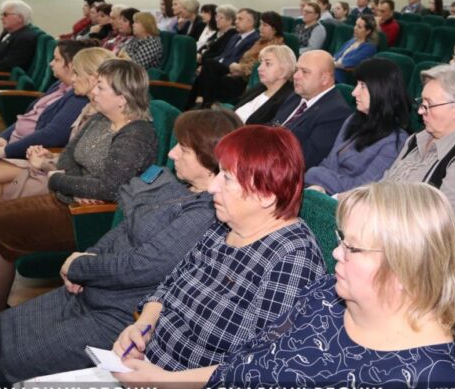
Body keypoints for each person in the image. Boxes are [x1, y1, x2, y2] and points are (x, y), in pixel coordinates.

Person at [0, 110, 241, 385]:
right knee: (3, 325)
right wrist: (88, 255)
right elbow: (126, 226)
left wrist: (79, 266)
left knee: (17, 356)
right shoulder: (178, 186)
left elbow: (143, 266)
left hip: (120, 311)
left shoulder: (206, 212)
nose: (171, 154)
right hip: (92, 288)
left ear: (209, 159)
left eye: (183, 149)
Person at [115, 182, 455, 388]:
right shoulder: (326, 294)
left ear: (404, 265)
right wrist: (163, 379)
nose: (336, 253)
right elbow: (243, 366)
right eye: (342, 240)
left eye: (353, 248)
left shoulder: (430, 378)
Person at [110, 125, 326, 372]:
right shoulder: (225, 224)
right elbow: (168, 286)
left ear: (266, 195)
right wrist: (143, 327)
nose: (213, 187)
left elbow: (259, 366)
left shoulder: (293, 258)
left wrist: (163, 380)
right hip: (148, 364)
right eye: (218, 173)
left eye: (227, 178)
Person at [0, 59, 157, 335]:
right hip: (71, 200)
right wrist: (76, 185)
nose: (93, 91)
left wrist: (60, 181)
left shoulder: (136, 133)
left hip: (94, 218)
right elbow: (69, 158)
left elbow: (107, 190)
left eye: (101, 87)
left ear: (122, 98)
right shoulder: (101, 118)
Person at [0, 47, 114, 275]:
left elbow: (90, 169)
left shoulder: (103, 114)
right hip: (58, 169)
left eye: (76, 73)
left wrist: (48, 163)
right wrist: (50, 158)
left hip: (69, 188)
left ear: (93, 78)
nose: (72, 78)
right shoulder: (87, 106)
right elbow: (72, 152)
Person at [382, 64, 455, 220]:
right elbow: (384, 183)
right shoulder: (416, 139)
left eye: (429, 104)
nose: (420, 111)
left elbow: (438, 225)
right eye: (422, 102)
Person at [0, 40, 95, 173]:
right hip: (14, 143)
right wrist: (3, 137)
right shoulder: (60, 85)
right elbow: (29, 116)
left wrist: (6, 150)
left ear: (70, 65)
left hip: (26, 153)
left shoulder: (78, 98)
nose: (51, 63)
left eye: (56, 59)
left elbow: (52, 135)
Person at [305, 58, 410, 195]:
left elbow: (363, 189)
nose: (354, 92)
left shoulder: (395, 141)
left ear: (381, 90)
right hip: (322, 192)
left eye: (362, 86)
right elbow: (329, 162)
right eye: (357, 84)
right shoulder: (353, 119)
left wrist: (314, 174)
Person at [272, 50, 352, 169]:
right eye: (296, 70)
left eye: (305, 72)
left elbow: (305, 159)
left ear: (324, 79)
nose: (296, 76)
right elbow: (274, 125)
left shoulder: (336, 112)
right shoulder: (297, 95)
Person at [186, 8, 260, 108]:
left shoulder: (254, 39)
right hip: (221, 67)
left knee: (209, 65)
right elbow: (223, 55)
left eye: (240, 19)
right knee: (206, 69)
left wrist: (213, 65)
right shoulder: (235, 36)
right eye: (236, 19)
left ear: (250, 22)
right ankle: (196, 105)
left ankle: (201, 104)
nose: (236, 22)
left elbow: (239, 60)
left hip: (234, 71)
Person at [219, 11, 286, 101]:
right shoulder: (259, 41)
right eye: (260, 24)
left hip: (253, 83)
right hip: (240, 76)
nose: (260, 28)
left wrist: (239, 68)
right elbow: (246, 59)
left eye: (265, 25)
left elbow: (257, 67)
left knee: (216, 79)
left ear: (274, 29)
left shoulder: (276, 48)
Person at [233, 45, 297, 125]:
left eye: (268, 64)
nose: (259, 68)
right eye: (261, 63)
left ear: (284, 70)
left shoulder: (288, 100)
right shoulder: (259, 87)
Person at [333, 15, 378, 84]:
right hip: (332, 72)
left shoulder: (369, 48)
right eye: (355, 25)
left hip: (342, 78)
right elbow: (337, 55)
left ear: (368, 31)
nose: (355, 28)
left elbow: (349, 63)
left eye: (359, 27)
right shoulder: (352, 41)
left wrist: (330, 63)